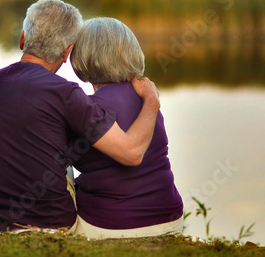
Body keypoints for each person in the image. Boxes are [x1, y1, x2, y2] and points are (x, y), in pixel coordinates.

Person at [0, 0, 161, 232]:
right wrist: (151, 101)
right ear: (67, 52)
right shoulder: (68, 94)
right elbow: (131, 153)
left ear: (22, 39)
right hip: (51, 225)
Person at [69, 17, 184, 238]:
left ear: (83, 56)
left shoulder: (89, 107)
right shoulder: (147, 98)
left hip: (110, 226)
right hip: (170, 219)